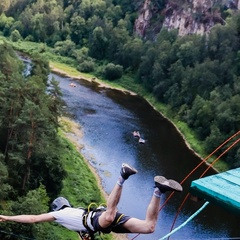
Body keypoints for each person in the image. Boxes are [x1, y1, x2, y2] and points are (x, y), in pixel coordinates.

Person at [0, 163, 183, 239]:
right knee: (149, 227)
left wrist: (8, 218)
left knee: (109, 216)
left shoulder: (59, 215)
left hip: (100, 220)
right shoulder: (75, 213)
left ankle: (122, 176)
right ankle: (159, 190)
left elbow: (33, 218)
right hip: (101, 221)